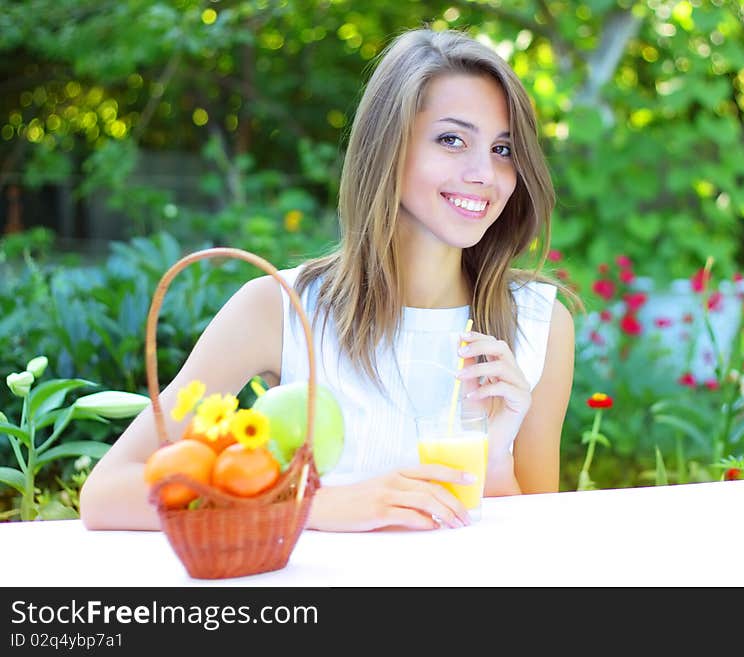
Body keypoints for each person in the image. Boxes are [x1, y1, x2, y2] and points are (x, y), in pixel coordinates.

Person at [79, 27, 577, 533]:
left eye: (503, 149)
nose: (484, 174)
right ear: (388, 146)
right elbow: (108, 493)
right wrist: (311, 508)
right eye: (452, 140)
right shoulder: (278, 309)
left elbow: (532, 541)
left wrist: (493, 454)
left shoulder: (540, 323)